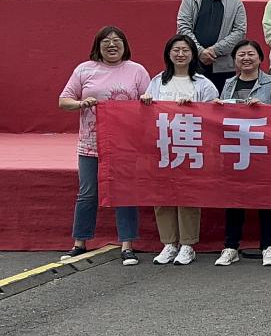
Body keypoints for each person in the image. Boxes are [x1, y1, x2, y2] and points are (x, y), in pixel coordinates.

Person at [58, 26, 150, 266]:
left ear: (124, 45)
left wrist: (145, 101)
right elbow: (64, 101)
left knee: (125, 192)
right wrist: (81, 103)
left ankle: (127, 245)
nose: (112, 45)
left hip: (125, 144)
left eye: (117, 40)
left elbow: (150, 102)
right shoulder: (84, 69)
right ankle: (79, 243)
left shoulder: (136, 70)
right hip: (91, 143)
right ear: (97, 46)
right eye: (106, 41)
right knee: (87, 192)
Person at [140, 34, 219, 266]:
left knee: (188, 194)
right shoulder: (157, 82)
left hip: (190, 146)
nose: (181, 54)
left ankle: (187, 244)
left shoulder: (203, 84)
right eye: (176, 50)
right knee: (162, 195)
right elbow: (146, 114)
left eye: (185, 50)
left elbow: (214, 115)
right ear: (168, 54)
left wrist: (195, 107)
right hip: (162, 145)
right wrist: (145, 102)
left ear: (193, 54)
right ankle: (169, 243)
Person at [214, 39, 271, 267]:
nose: (246, 58)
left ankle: (268, 246)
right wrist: (216, 107)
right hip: (235, 149)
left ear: (260, 58)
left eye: (250, 54)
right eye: (241, 55)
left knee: (266, 199)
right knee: (234, 198)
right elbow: (221, 117)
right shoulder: (229, 84)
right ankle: (231, 246)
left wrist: (265, 109)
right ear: (235, 60)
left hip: (263, 150)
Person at [176, 0, 246, 92]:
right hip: (192, 62)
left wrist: (214, 50)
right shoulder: (189, 2)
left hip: (223, 66)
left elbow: (239, 32)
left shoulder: (236, 4)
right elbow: (183, 29)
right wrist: (200, 52)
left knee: (221, 102)